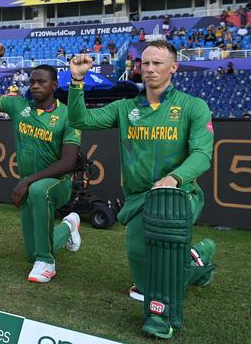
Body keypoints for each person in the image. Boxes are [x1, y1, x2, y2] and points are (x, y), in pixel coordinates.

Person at [67, 41, 216, 339]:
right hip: (137, 198)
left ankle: (162, 318)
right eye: (145, 63)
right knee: (141, 259)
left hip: (177, 196)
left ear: (173, 67)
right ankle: (199, 261)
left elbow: (202, 154)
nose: (149, 68)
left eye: (157, 63)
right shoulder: (126, 108)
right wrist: (77, 81)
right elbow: (79, 119)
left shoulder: (193, 106)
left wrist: (174, 178)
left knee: (163, 248)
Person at [0, 43, 82, 283]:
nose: (34, 85)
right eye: (32, 81)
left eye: (41, 82)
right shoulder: (19, 106)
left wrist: (27, 182)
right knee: (31, 253)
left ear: (54, 85)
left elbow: (68, 162)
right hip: (29, 184)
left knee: (38, 191)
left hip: (57, 183)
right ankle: (68, 226)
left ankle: (47, 263)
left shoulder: (69, 115)